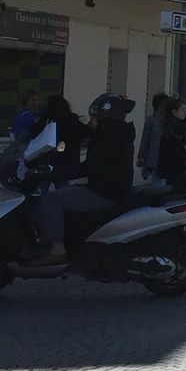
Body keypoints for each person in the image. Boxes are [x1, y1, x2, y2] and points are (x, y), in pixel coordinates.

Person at [25, 94, 138, 269]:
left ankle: (57, 250)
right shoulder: (114, 133)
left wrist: (56, 173)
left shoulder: (109, 137)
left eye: (94, 116)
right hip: (103, 186)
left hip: (103, 190)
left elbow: (90, 166)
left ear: (104, 116)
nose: (91, 120)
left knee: (50, 200)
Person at [138, 92, 171, 188]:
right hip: (156, 158)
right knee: (158, 183)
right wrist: (141, 156)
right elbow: (145, 140)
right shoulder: (151, 121)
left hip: (166, 157)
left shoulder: (169, 121)